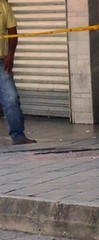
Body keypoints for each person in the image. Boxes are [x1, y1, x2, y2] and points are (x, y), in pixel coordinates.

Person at [0, 0, 35, 145]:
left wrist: (10, 55)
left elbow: (12, 32)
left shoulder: (4, 6)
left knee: (11, 98)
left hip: (1, 61)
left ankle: (18, 136)